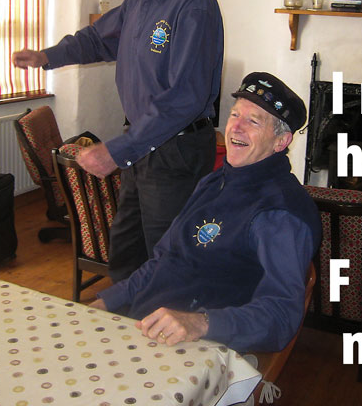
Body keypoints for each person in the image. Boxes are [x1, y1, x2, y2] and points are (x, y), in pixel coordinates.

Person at [12, 0, 223, 282]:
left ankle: (167, 320)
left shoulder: (194, 4)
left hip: (175, 151)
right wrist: (47, 56)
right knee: (126, 254)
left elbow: (184, 98)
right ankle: (125, 317)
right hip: (143, 144)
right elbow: (97, 39)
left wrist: (117, 150)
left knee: (166, 261)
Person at [89, 72, 322, 354]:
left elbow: (281, 317)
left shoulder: (279, 212)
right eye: (235, 115)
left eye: (253, 121)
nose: (236, 127)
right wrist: (106, 301)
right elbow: (164, 260)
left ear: (281, 141)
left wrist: (201, 323)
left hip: (204, 348)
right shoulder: (214, 182)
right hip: (146, 325)